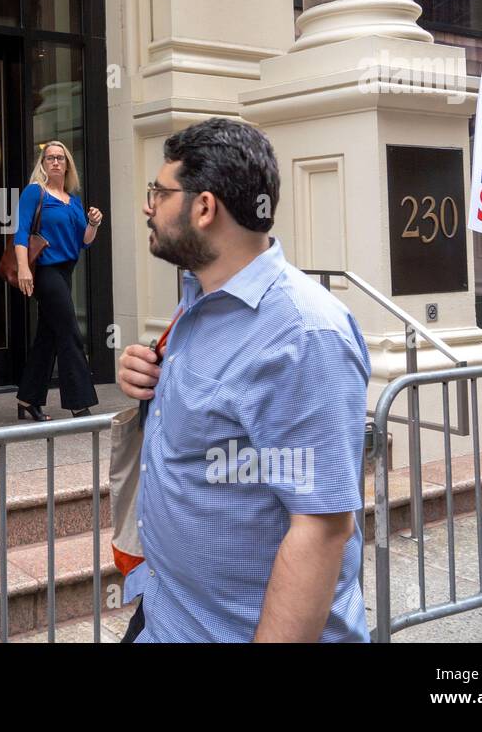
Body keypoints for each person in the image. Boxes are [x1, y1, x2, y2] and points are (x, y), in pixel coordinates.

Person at [116, 118, 370, 642]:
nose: (148, 207)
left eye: (159, 193)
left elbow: (321, 530)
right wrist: (149, 374)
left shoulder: (304, 333)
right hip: (166, 616)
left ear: (204, 208)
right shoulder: (199, 295)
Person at [14, 140, 103, 421]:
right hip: (45, 271)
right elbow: (21, 233)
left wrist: (93, 224)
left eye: (60, 158)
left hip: (66, 271)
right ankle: (80, 403)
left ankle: (27, 398)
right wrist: (23, 269)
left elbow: (83, 242)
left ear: (67, 165)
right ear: (42, 164)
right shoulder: (35, 192)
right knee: (70, 332)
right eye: (50, 158)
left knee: (48, 336)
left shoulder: (73, 201)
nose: (55, 162)